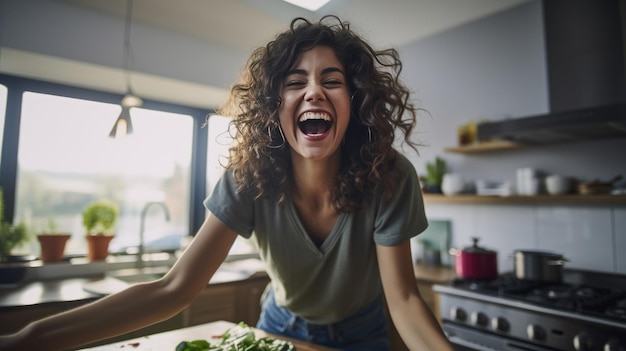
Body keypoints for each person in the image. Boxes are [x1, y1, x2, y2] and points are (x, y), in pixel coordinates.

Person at [0, 15, 452, 351]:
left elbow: (407, 301)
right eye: (296, 83)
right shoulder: (248, 177)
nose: (314, 91)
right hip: (279, 328)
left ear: (354, 104)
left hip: (363, 335)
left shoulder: (389, 177)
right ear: (275, 107)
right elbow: (173, 289)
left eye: (331, 81)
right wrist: (30, 337)